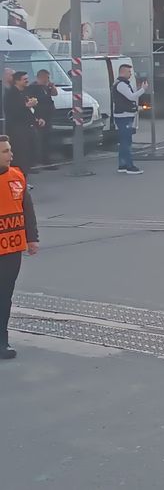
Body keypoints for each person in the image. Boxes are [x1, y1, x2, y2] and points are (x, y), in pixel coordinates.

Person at [0, 135, 38, 360]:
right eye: (5, 151)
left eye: (9, 150)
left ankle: (1, 342)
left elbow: (27, 209)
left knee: (5, 296)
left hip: (12, 249)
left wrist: (32, 238)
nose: (11, 155)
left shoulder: (17, 177)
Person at [112, 64, 148, 176]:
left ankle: (122, 165)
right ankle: (129, 166)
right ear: (122, 72)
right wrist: (143, 90)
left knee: (124, 141)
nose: (130, 74)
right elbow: (131, 97)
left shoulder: (122, 84)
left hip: (124, 115)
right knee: (126, 142)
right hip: (124, 116)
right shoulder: (121, 85)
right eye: (129, 72)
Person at [2, 73, 36, 176]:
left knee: (28, 153)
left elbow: (29, 110)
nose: (27, 81)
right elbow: (12, 111)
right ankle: (19, 176)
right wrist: (26, 106)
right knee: (20, 155)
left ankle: (25, 175)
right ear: (17, 81)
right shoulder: (11, 94)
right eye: (24, 79)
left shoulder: (25, 92)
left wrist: (36, 118)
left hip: (28, 127)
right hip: (17, 129)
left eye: (27, 78)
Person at [27, 70, 57, 165]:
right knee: (38, 140)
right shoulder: (33, 88)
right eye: (47, 77)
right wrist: (37, 117)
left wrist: (52, 86)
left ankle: (46, 159)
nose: (48, 79)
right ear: (41, 77)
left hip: (47, 117)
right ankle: (36, 161)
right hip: (39, 117)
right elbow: (30, 103)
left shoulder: (46, 87)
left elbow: (54, 94)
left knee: (47, 140)